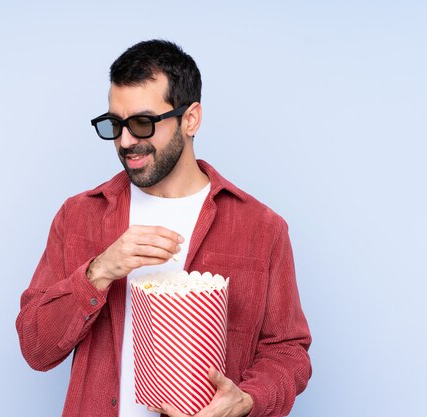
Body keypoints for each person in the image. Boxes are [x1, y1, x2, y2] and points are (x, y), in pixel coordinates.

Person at [16, 39, 311, 417]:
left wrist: (247, 399)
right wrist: (100, 270)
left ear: (191, 119)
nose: (125, 141)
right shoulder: (78, 217)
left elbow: (287, 351)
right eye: (115, 125)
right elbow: (35, 347)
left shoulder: (261, 228)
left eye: (142, 123)